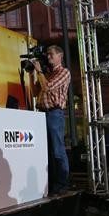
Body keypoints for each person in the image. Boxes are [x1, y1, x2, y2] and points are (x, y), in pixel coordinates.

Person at [28, 45, 71, 196]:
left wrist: (39, 71)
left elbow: (47, 88)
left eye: (51, 54)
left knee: (57, 150)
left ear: (60, 55)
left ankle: (63, 182)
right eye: (47, 54)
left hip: (54, 114)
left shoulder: (64, 72)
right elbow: (34, 92)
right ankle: (52, 182)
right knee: (46, 151)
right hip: (42, 114)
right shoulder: (47, 74)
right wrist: (31, 73)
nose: (48, 57)